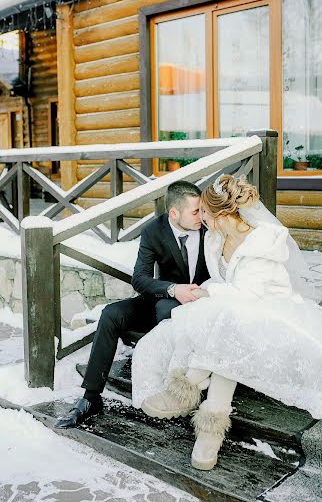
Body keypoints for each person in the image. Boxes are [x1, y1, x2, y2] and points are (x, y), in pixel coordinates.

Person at [130, 174, 322, 471]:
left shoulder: (262, 244)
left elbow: (247, 295)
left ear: (224, 214)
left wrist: (208, 292)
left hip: (271, 312)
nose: (202, 220)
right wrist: (206, 291)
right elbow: (225, 284)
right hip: (237, 310)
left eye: (207, 214)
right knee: (222, 323)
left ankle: (197, 397)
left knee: (229, 325)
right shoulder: (216, 236)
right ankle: (201, 405)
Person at [55, 180, 210, 429]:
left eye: (202, 210)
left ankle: (177, 392)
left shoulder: (208, 228)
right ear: (173, 213)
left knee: (165, 311)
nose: (201, 216)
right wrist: (172, 289)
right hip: (165, 298)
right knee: (111, 314)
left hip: (203, 306)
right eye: (195, 211)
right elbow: (140, 278)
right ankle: (90, 398)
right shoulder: (154, 231)